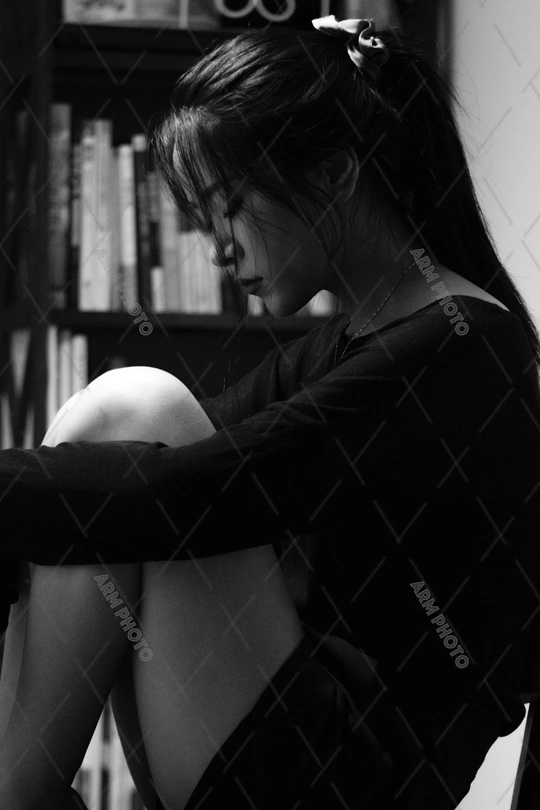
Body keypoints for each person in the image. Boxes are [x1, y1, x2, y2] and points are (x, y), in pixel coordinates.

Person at [0, 13, 539, 810]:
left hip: (345, 780)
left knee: (134, 403)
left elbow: (192, 495)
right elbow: (155, 471)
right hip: (279, 749)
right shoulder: (353, 340)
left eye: (231, 205)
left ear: (335, 174)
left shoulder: (464, 348)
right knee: (122, 427)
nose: (219, 248)